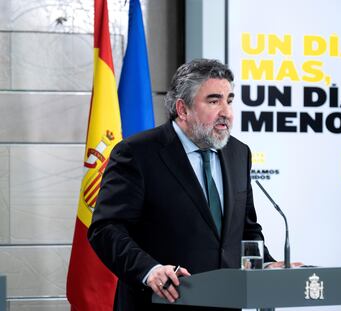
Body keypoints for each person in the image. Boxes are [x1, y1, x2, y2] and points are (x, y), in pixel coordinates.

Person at [88, 59, 295, 311]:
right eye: (213, 100)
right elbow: (106, 228)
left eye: (229, 100)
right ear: (183, 109)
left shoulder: (238, 153)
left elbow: (245, 231)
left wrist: (266, 264)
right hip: (160, 303)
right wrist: (149, 270)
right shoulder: (138, 153)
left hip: (226, 303)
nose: (226, 113)